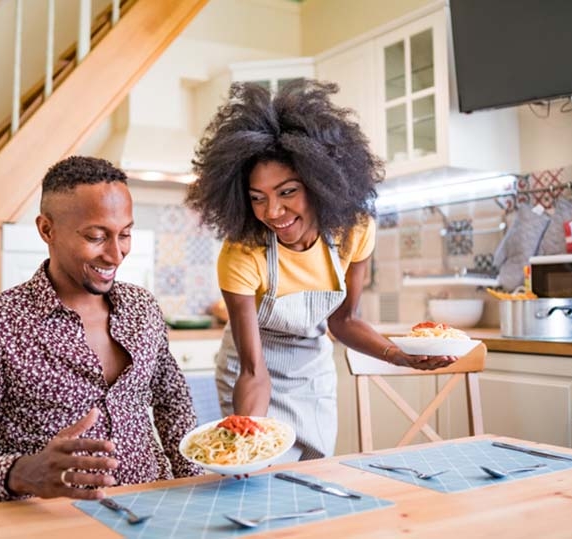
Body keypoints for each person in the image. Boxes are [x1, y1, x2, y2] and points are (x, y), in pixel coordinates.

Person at [184, 79, 456, 461]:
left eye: (288, 192)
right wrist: (247, 444)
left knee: (314, 473)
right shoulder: (243, 254)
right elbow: (252, 369)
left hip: (312, 373)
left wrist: (398, 355)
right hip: (252, 374)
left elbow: (344, 322)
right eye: (258, 198)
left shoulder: (353, 231)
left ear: (320, 182)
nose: (273, 212)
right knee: (261, 475)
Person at [0, 156, 203, 511]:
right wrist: (21, 472)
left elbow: (172, 400)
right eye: (96, 236)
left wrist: (195, 480)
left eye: (125, 234)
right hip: (50, 523)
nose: (116, 254)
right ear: (46, 230)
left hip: (155, 514)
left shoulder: (142, 308)